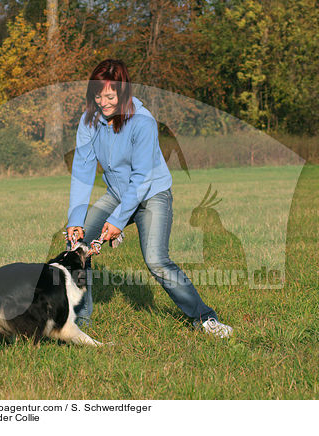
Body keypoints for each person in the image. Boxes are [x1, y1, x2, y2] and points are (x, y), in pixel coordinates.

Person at [66, 59, 233, 338]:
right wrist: (75, 219)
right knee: (77, 247)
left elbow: (142, 177)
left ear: (123, 92)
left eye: (110, 95)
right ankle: (79, 322)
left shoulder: (142, 122)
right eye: (98, 95)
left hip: (152, 195)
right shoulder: (89, 122)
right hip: (118, 194)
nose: (103, 102)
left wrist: (118, 221)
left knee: (156, 259)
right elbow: (82, 171)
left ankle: (205, 318)